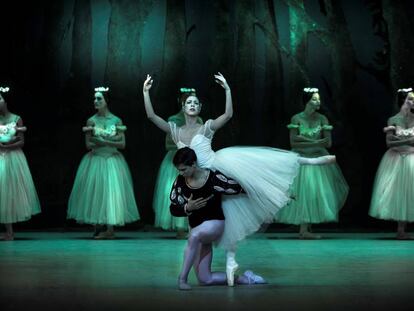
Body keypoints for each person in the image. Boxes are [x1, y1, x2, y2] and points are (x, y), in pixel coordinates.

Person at [142, 73, 335, 285]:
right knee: (205, 248)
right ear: (183, 106)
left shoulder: (206, 127)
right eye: (189, 102)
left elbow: (227, 115)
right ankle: (236, 274)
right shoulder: (175, 131)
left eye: (196, 102)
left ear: (200, 107)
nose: (193, 105)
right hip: (197, 183)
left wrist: (227, 90)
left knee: (249, 182)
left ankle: (309, 163)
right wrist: (146, 92)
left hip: (214, 171)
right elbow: (152, 117)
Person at [170, 147, 266, 290]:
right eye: (179, 170)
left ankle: (182, 279)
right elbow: (173, 208)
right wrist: (187, 208)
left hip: (214, 224)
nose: (181, 173)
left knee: (194, 236)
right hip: (197, 231)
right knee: (205, 279)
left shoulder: (212, 178)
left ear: (193, 164)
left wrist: (270, 194)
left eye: (184, 169)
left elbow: (240, 188)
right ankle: (245, 279)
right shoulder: (180, 182)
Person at [275, 87, 349, 239]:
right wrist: (315, 142)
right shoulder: (297, 118)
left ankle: (307, 228)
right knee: (304, 192)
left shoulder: (322, 119)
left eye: (318, 99)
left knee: (315, 193)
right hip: (302, 160)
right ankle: (303, 230)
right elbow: (293, 143)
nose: (318, 102)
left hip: (319, 159)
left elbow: (328, 143)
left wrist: (306, 141)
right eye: (315, 99)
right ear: (307, 101)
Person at [67, 87, 140, 239]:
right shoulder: (91, 121)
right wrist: (106, 142)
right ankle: (98, 226)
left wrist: (103, 140)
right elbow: (88, 144)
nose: (96, 101)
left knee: (111, 193)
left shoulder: (116, 120)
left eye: (99, 98)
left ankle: (110, 229)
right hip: (96, 160)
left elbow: (122, 144)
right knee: (97, 192)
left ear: (106, 101)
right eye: (95, 98)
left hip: (112, 160)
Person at [153, 88, 202, 239]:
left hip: (193, 160)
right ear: (182, 104)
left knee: (195, 190)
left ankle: (194, 224)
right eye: (186, 101)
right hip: (177, 160)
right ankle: (180, 227)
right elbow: (168, 144)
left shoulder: (199, 120)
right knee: (177, 190)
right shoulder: (174, 120)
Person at [369, 88, 414, 239]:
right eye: (411, 98)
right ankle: (400, 230)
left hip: (411, 157)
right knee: (399, 192)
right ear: (403, 101)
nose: (413, 101)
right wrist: (409, 141)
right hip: (395, 158)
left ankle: (403, 230)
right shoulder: (393, 120)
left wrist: (400, 140)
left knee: (410, 192)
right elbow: (389, 143)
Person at [0, 86, 41, 241]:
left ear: (5, 101)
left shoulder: (16, 119)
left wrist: (6, 146)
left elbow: (21, 141)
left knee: (9, 191)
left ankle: (10, 232)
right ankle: (7, 230)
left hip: (13, 158)